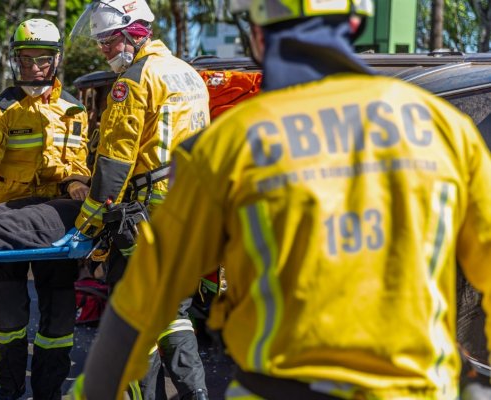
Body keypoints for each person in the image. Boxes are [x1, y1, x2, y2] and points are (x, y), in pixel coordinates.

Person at [69, 0, 491, 398]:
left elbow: (140, 304)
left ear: (256, 33)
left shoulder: (225, 146)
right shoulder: (445, 129)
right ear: (357, 23)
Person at [61, 1, 211, 398]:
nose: (104, 51)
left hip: (148, 214)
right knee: (174, 312)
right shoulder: (188, 72)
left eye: (108, 42)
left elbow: (115, 159)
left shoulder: (136, 79)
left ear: (132, 33)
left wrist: (87, 224)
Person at [0, 18, 92, 400]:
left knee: (59, 311)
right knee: (9, 314)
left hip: (55, 219)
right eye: (26, 59)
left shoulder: (73, 109)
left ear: (56, 60)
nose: (34, 67)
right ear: (13, 60)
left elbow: (79, 164)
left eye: (43, 59)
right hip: (8, 220)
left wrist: (77, 185)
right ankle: (9, 389)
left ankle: (48, 391)